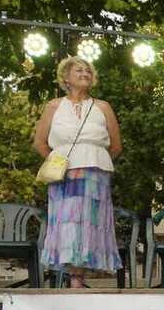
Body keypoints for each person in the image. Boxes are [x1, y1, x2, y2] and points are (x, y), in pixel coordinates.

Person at [33, 55, 123, 288]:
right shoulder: (54, 106)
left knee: (89, 223)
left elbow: (116, 145)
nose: (85, 74)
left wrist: (94, 159)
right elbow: (39, 142)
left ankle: (79, 278)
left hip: (95, 173)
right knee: (68, 223)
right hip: (65, 175)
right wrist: (58, 163)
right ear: (66, 78)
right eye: (79, 71)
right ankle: (74, 278)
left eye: (88, 71)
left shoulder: (103, 107)